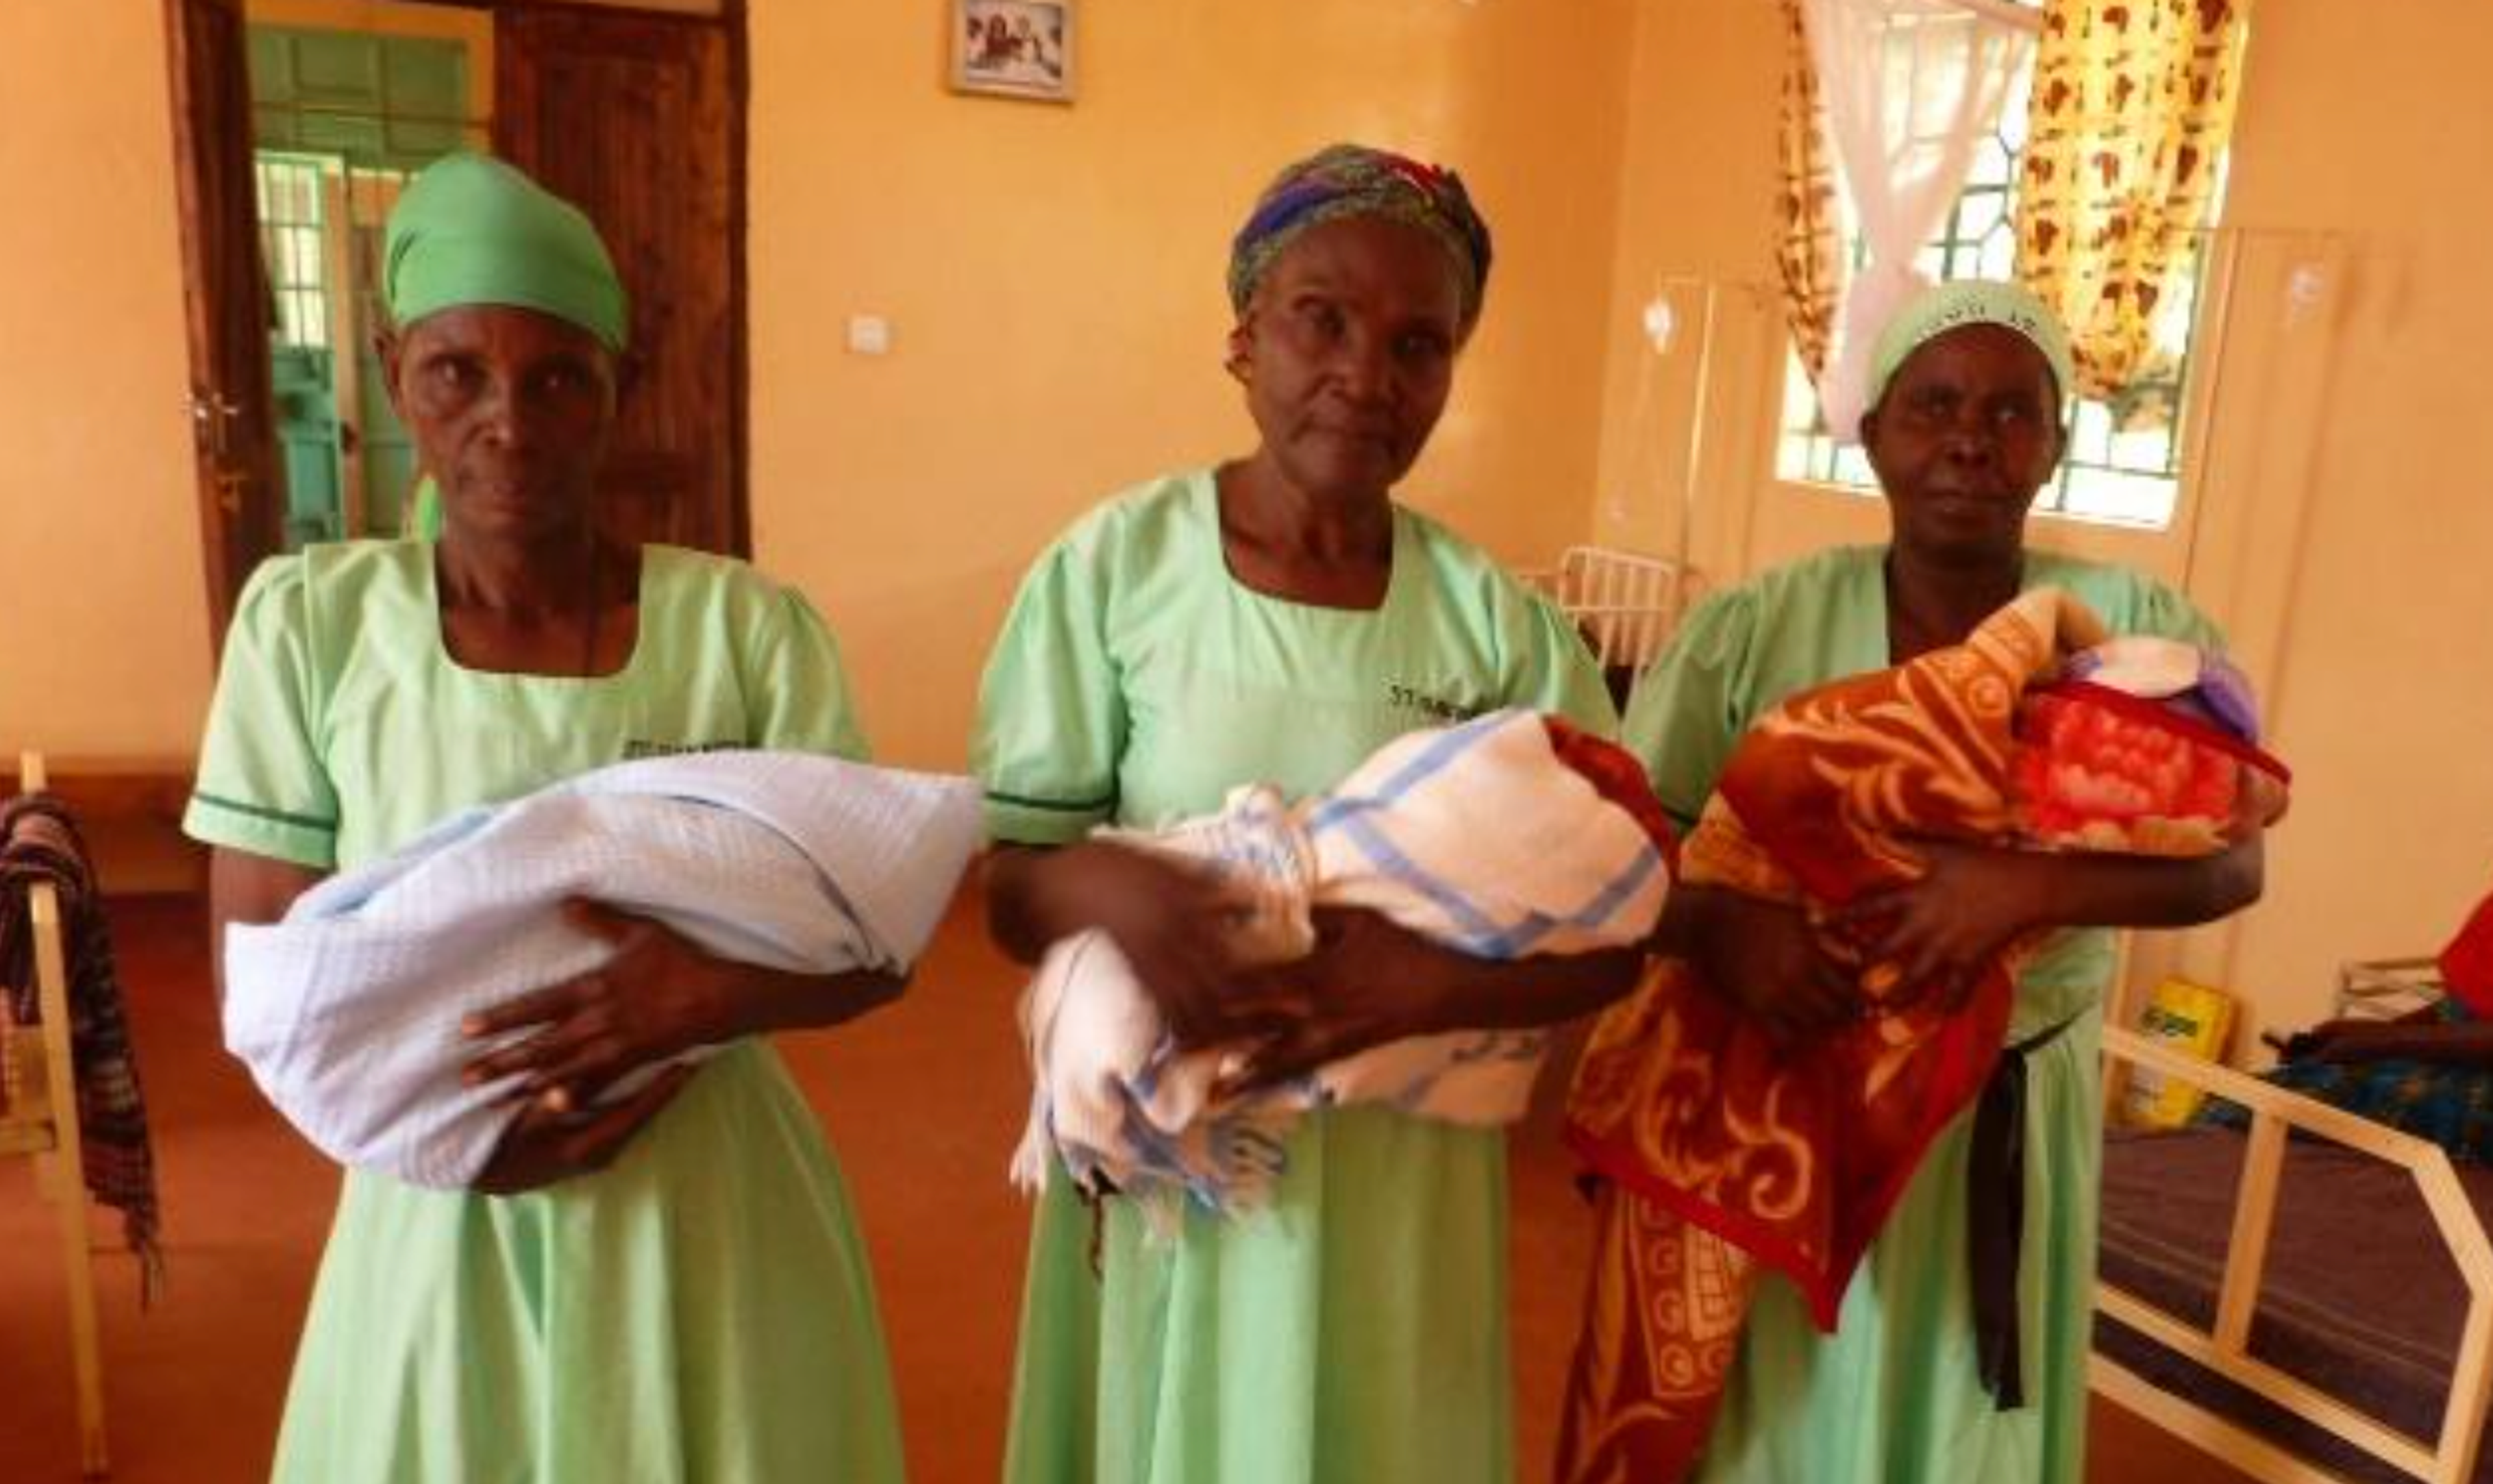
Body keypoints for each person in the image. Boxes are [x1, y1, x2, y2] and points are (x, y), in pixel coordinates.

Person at [182, 153, 908, 1483]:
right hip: (435, 1192)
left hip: (707, 1191)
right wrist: (454, 1136)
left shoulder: (745, 630)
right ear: (399, 373)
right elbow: (261, 980)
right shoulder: (315, 628)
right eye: (459, 371)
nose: (509, 420)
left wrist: (699, 1000)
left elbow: (873, 939)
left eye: (560, 376)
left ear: (615, 394)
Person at [975, 143, 1641, 1483]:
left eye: (1418, 344)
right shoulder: (1118, 571)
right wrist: (1112, 891)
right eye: (1319, 321)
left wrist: (1416, 987)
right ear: (1243, 339)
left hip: (1403, 1174)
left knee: (1374, 1431)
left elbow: (1618, 921)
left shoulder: (1495, 624)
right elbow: (1011, 880)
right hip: (1181, 1154)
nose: (1364, 375)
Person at [1594, 279, 2265, 1483]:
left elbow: (2233, 858)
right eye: (1935, 404)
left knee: (1960, 1417)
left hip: (2001, 1110)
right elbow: (1633, 849)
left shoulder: (2130, 632)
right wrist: (1726, 931)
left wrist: (2021, 893)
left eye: (2013, 414)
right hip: (1784, 1107)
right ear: (1874, 434)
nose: (1971, 438)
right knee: (1779, 1416)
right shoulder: (1757, 626)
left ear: (2055, 444)